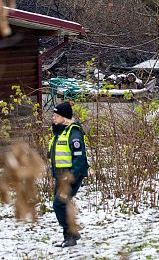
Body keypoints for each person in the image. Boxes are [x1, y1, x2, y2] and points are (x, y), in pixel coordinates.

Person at [48, 102, 89, 248]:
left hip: (70, 176)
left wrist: (71, 176)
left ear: (64, 117)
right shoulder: (61, 132)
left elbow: (79, 159)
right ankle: (71, 233)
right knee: (62, 204)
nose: (53, 117)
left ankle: (70, 236)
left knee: (59, 204)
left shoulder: (74, 133)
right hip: (60, 175)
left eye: (56, 115)